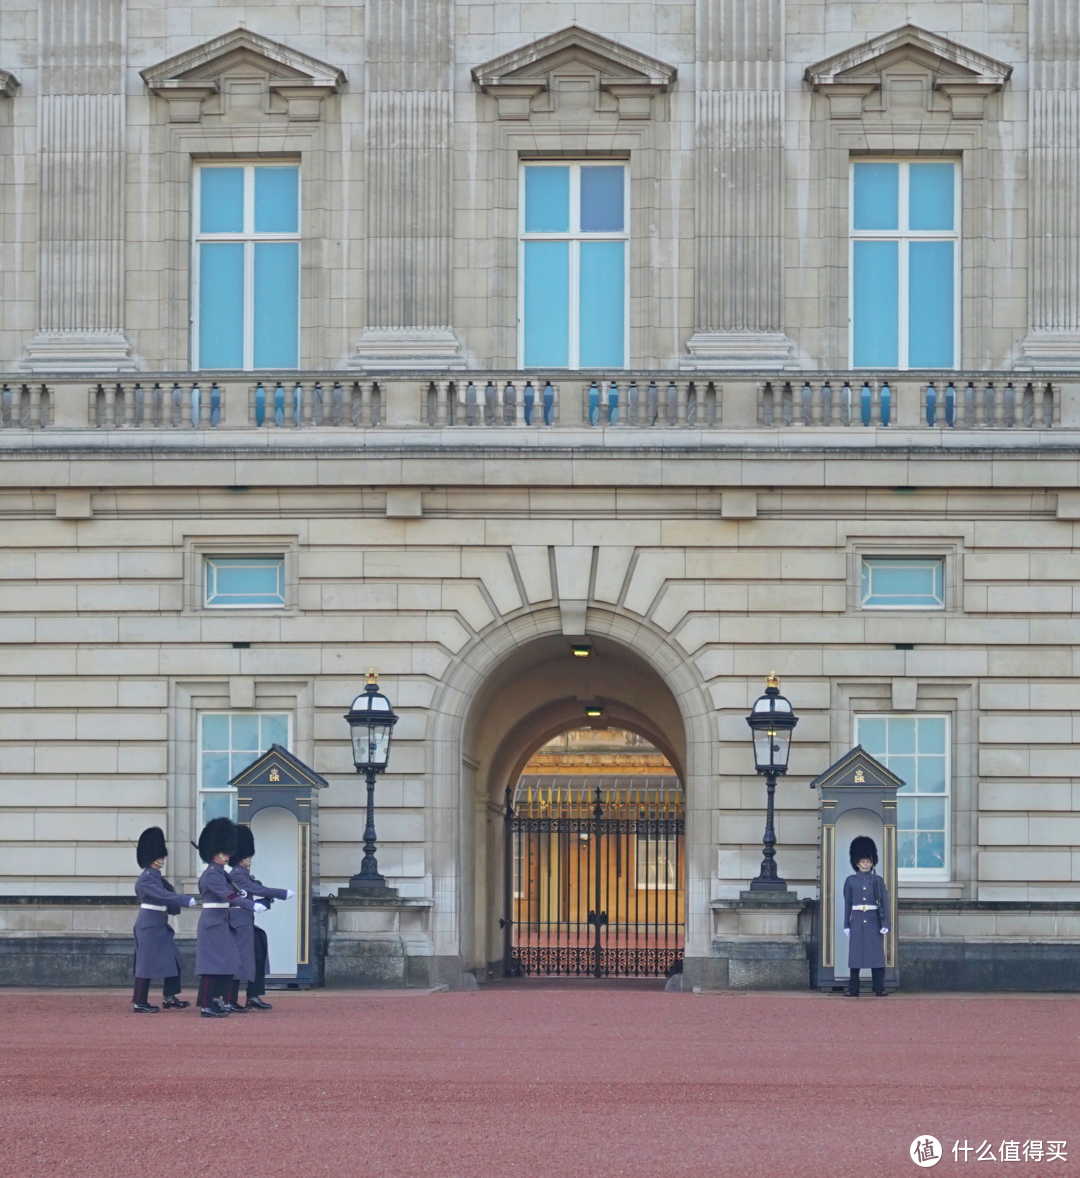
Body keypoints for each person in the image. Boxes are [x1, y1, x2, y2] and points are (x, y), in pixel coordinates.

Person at [225, 824, 295, 1012]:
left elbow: (256, 891)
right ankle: (230, 999)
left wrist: (267, 899)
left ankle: (253, 996)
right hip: (238, 922)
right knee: (238, 960)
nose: (250, 858)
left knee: (258, 954)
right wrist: (280, 893)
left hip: (247, 921)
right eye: (246, 855)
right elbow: (255, 890)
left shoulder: (244, 875)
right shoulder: (237, 876)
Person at [194, 816, 255, 1018]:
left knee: (230, 962)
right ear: (214, 853)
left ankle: (217, 999)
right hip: (213, 921)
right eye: (223, 852)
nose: (227, 855)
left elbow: (234, 890)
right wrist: (250, 904)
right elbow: (226, 895)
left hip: (222, 920)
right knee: (212, 965)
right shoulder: (211, 875)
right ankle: (206, 1004)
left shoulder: (220, 873)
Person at [131, 826, 197, 1014]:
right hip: (149, 924)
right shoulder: (146, 880)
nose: (162, 859)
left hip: (159, 923)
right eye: (159, 856)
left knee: (173, 959)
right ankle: (139, 1001)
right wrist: (184, 900)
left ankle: (169, 996)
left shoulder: (157, 878)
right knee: (145, 964)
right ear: (151, 857)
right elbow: (162, 896)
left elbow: (168, 893)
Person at [843, 835, 890, 997]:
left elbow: (885, 903)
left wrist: (886, 924)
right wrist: (846, 924)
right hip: (856, 920)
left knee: (875, 955)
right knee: (855, 956)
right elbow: (847, 904)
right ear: (857, 863)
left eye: (868, 862)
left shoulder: (877, 880)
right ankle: (853, 988)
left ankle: (879, 987)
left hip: (873, 921)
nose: (865, 864)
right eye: (863, 862)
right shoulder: (851, 881)